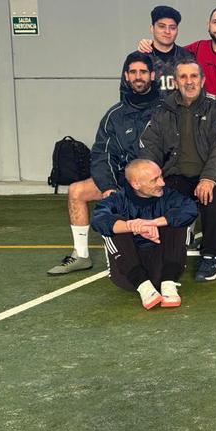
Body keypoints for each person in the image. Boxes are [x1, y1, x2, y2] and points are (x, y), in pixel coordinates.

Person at [48, 52, 162, 276]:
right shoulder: (114, 115)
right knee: (77, 190)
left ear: (152, 75)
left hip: (156, 180)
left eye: (143, 72)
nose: (138, 77)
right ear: (126, 76)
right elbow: (102, 154)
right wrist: (109, 187)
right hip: (122, 179)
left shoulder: (165, 110)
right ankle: (81, 255)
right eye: (133, 72)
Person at [138, 57, 216, 282]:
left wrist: (209, 178)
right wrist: (152, 177)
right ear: (175, 81)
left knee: (210, 199)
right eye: (183, 77)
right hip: (175, 173)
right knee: (161, 199)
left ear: (202, 80)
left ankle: (210, 256)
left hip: (209, 174)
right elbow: (148, 143)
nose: (189, 82)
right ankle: (168, 254)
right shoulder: (163, 109)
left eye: (193, 76)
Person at [91, 159, 198, 309]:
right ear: (136, 184)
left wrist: (152, 223)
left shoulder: (168, 196)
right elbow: (98, 219)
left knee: (178, 219)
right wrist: (132, 226)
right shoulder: (118, 198)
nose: (162, 183)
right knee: (114, 224)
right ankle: (144, 287)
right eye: (155, 180)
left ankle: (168, 284)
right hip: (127, 273)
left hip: (164, 268)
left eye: (161, 176)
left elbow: (190, 209)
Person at [139, 7, 216, 108]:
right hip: (198, 122)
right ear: (208, 25)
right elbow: (168, 49)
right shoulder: (198, 48)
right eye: (215, 22)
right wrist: (149, 44)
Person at [144, 5, 192, 94]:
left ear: (177, 30)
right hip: (148, 108)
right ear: (152, 28)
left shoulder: (187, 58)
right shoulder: (139, 58)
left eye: (172, 27)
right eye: (162, 26)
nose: (167, 31)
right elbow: (127, 97)